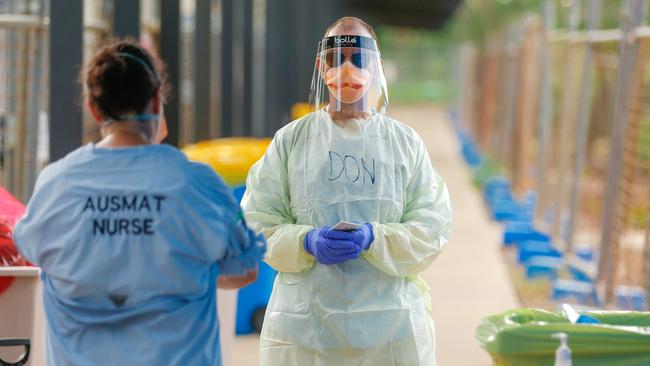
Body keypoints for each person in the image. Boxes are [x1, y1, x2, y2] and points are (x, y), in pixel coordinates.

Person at [13, 39, 265, 366]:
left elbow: (34, 255)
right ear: (157, 102)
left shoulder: (56, 185)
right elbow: (244, 270)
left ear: (93, 108)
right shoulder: (195, 183)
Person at [242, 16, 452, 366]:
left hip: (390, 329)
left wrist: (375, 238)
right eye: (336, 58)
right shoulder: (292, 141)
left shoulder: (404, 143)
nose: (348, 68)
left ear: (377, 66)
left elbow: (432, 226)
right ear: (321, 66)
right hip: (307, 329)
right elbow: (257, 221)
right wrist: (306, 242)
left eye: (358, 58)